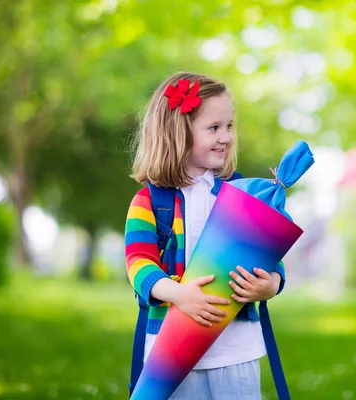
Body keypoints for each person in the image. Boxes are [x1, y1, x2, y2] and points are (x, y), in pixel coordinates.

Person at [125, 72, 286, 399]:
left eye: (229, 126)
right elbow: (138, 264)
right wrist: (180, 294)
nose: (226, 137)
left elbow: (270, 255)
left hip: (236, 351)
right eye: (213, 128)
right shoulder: (150, 201)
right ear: (177, 133)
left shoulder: (241, 194)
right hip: (170, 351)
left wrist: (271, 285)